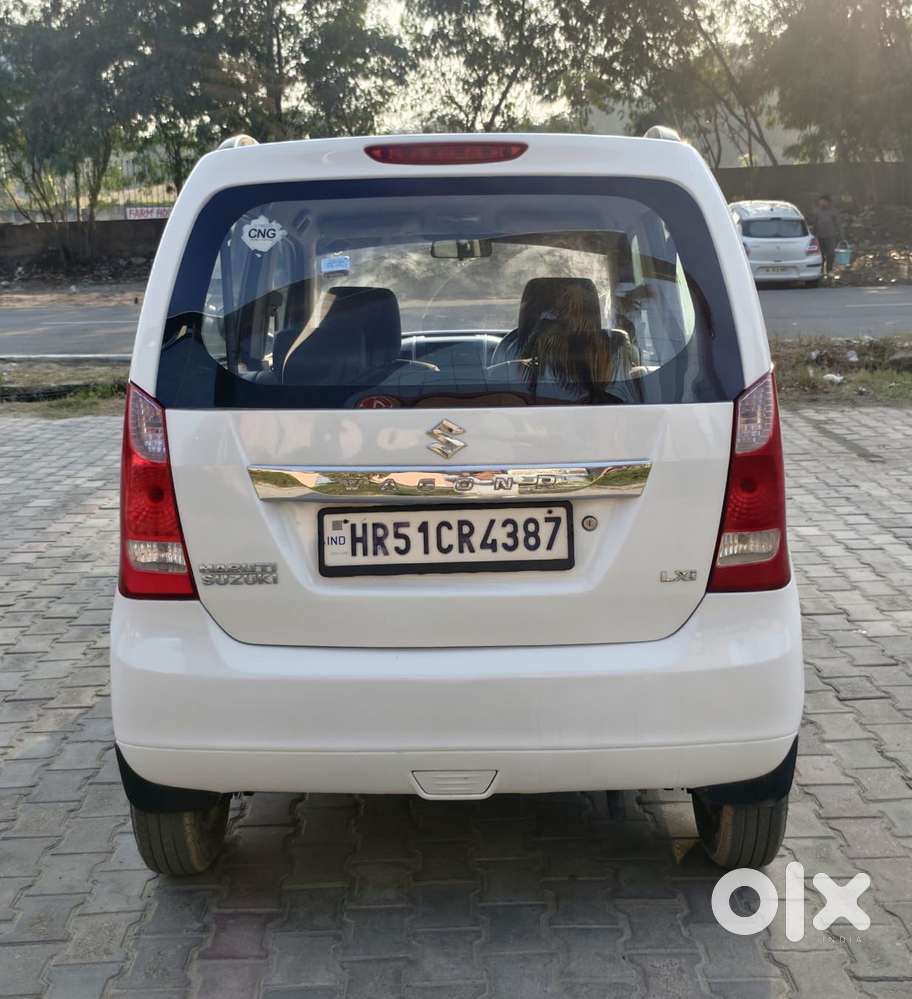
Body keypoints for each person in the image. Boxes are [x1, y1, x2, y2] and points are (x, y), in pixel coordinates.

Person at [811, 195, 841, 284]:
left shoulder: (833, 212)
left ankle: (829, 270)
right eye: (821, 201)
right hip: (819, 237)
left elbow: (838, 224)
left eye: (824, 201)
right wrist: (812, 235)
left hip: (830, 236)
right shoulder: (817, 212)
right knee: (820, 255)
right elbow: (814, 224)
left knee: (831, 254)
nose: (822, 203)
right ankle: (819, 272)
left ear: (828, 202)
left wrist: (841, 236)